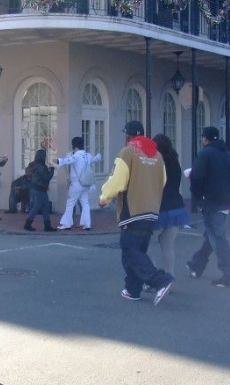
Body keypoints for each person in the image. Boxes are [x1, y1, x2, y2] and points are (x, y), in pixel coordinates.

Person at [99, 121, 173, 306]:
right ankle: (133, 289)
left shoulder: (127, 153)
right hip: (152, 209)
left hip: (133, 210)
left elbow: (118, 180)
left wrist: (105, 197)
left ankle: (160, 280)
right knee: (137, 250)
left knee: (130, 250)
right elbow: (162, 180)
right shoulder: (157, 155)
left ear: (128, 136)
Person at [186, 126, 230, 288]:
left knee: (217, 237)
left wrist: (198, 197)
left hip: (211, 201)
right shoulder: (227, 154)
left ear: (205, 138)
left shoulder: (205, 154)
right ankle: (197, 264)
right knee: (213, 235)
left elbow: (197, 177)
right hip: (225, 200)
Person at [151, 134, 190, 277]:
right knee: (168, 248)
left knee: (146, 245)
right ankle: (170, 276)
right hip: (176, 207)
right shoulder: (175, 162)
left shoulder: (156, 163)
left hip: (159, 207)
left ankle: (153, 277)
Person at [55, 136, 101, 230]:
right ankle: (86, 224)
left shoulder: (76, 156)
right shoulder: (87, 155)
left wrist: (57, 160)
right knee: (85, 203)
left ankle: (67, 224)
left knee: (70, 203)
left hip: (76, 184)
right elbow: (95, 159)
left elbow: (67, 161)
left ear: (74, 146)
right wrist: (98, 156)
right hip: (86, 184)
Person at [23, 148, 57, 232]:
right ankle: (27, 224)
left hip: (35, 188)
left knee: (46, 206)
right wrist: (52, 170)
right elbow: (47, 177)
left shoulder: (33, 165)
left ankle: (47, 225)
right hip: (40, 189)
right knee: (36, 207)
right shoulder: (41, 167)